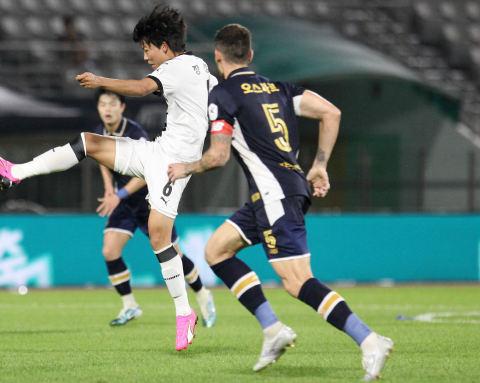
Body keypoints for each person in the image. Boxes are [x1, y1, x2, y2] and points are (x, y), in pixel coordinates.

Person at [167, 24, 394, 380]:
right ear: (251, 56)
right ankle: (273, 330)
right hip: (280, 191)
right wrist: (319, 165)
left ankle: (369, 340)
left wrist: (185, 168)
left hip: (275, 195)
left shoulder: (224, 94)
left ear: (218, 57)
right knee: (217, 251)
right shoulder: (280, 89)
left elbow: (218, 157)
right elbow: (330, 113)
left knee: (297, 281)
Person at [0, 5, 218, 351]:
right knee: (89, 142)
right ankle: (17, 172)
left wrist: (98, 81)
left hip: (175, 164)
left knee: (160, 237)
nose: (145, 56)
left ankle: (184, 312)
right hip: (157, 151)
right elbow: (218, 98)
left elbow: (142, 89)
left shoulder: (176, 67)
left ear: (164, 46)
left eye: (146, 48)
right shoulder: (199, 66)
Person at [93, 89, 216, 327]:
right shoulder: (100, 132)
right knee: (109, 251)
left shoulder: (134, 133)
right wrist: (109, 187)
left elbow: (147, 173)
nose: (107, 109)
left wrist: (118, 194)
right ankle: (130, 306)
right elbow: (102, 160)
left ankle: (203, 295)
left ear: (122, 107)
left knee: (175, 255)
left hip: (149, 200)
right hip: (123, 202)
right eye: (102, 104)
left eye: (112, 104)